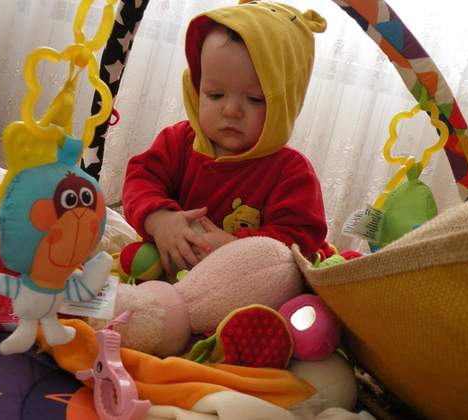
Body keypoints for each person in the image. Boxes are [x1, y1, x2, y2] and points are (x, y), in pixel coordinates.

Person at [123, 0, 328, 275]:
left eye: (255, 99)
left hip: (242, 283)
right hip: (174, 272)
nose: (231, 110)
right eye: (215, 95)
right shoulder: (178, 141)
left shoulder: (292, 172)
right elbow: (140, 179)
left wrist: (235, 248)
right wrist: (160, 220)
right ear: (196, 88)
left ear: (287, 102)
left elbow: (301, 237)